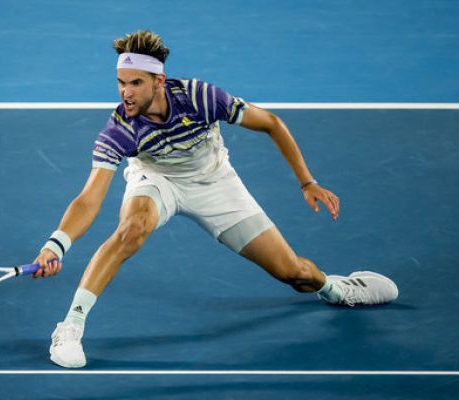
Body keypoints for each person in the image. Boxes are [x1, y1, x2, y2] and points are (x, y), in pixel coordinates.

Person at [33, 31, 398, 368]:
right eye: (120, 83)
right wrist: (57, 245)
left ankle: (337, 289)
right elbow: (89, 198)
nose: (125, 93)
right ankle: (71, 325)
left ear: (159, 81)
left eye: (135, 83)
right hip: (157, 179)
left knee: (294, 273)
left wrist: (307, 182)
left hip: (215, 182)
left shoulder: (200, 97)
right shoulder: (120, 128)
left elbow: (271, 123)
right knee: (131, 229)